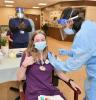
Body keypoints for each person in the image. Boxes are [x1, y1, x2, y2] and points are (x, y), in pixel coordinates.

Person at [17, 30, 81, 100]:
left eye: (42, 40)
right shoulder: (27, 55)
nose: (40, 42)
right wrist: (24, 65)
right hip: (34, 93)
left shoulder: (50, 55)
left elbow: (58, 73)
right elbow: (19, 78)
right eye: (37, 40)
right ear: (33, 42)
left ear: (45, 42)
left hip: (50, 91)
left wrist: (70, 81)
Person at [48, 7, 96, 100]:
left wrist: (54, 61)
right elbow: (87, 51)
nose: (64, 27)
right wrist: (69, 52)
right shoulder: (89, 25)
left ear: (70, 21)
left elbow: (72, 65)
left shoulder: (83, 34)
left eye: (64, 24)